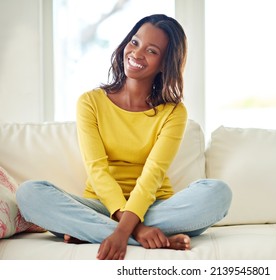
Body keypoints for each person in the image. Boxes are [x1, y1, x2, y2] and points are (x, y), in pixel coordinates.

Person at [16, 14, 232, 260]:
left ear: (165, 63)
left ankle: (89, 231)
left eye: (151, 51)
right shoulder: (91, 102)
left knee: (218, 193)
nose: (137, 54)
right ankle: (147, 237)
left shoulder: (173, 112)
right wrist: (136, 229)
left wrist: (126, 226)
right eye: (135, 42)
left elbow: (153, 175)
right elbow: (97, 170)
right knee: (29, 194)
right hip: (101, 206)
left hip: (156, 206)